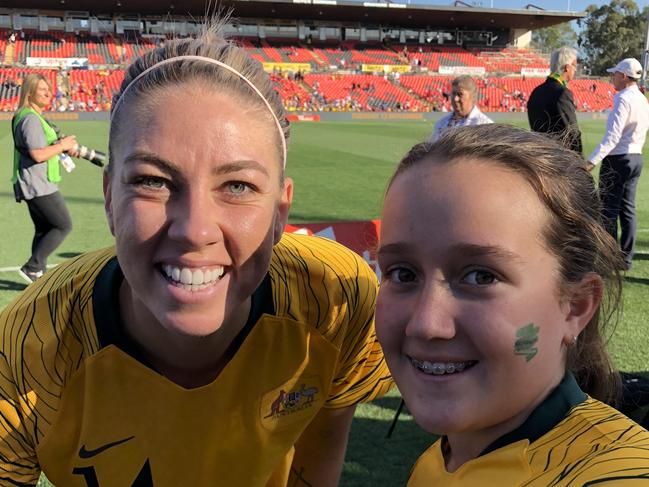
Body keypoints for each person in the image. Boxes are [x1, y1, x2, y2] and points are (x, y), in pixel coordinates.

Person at [0, 22, 392, 486]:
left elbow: (321, 453)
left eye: (238, 186)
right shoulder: (26, 347)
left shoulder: (335, 297)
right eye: (152, 181)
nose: (195, 230)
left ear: (280, 212)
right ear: (109, 198)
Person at [375, 124, 649, 486]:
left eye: (481, 277)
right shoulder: (438, 462)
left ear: (576, 306)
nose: (426, 324)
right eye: (403, 274)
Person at [11, 73, 79, 282]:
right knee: (63, 225)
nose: (48, 94)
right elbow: (38, 154)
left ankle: (37, 275)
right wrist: (62, 146)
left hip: (33, 181)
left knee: (43, 230)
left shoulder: (28, 115)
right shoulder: (30, 119)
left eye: (49, 90)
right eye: (42, 90)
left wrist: (62, 148)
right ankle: (33, 267)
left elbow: (42, 149)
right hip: (37, 183)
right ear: (29, 93)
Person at [587, 58, 649, 271]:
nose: (612, 77)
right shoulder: (642, 99)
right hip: (635, 157)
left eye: (615, 74)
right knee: (628, 210)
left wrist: (591, 161)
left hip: (618, 159)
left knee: (609, 210)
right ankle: (625, 259)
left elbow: (612, 137)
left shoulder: (622, 98)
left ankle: (608, 259)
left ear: (624, 76)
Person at [527, 46, 582, 155]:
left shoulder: (536, 92)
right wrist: (579, 162)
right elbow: (573, 132)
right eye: (574, 66)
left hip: (538, 156)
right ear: (567, 68)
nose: (575, 70)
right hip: (559, 158)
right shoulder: (562, 93)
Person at [427, 75, 492, 143]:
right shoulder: (441, 124)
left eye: (460, 94)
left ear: (473, 96)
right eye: (453, 93)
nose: (455, 99)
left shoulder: (484, 125)